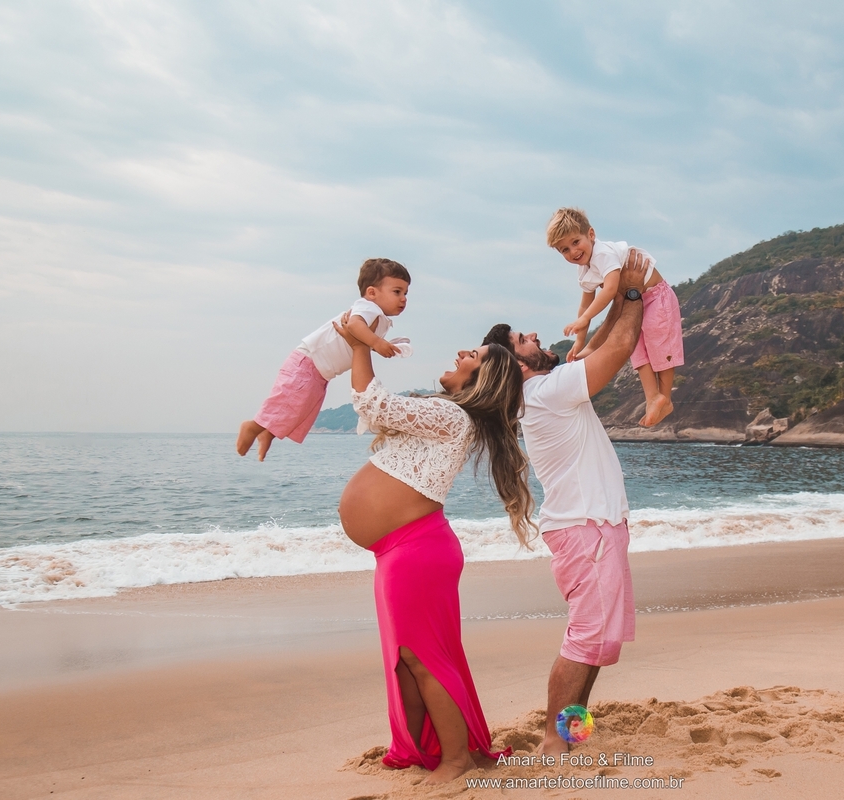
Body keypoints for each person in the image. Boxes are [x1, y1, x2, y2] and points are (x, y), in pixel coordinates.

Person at [334, 320, 535, 783]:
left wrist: (359, 344)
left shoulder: (451, 417)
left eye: (475, 358)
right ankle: (430, 748)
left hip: (415, 552)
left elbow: (373, 403)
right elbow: (377, 414)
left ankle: (456, 760)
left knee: (420, 658)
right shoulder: (445, 418)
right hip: (403, 552)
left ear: (481, 380)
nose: (464, 353)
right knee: (408, 658)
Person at [483, 249, 649, 755]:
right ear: (517, 363)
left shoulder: (546, 390)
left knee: (598, 641)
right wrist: (636, 292)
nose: (533, 335)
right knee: (585, 640)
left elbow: (601, 341)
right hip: (586, 529)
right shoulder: (546, 392)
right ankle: (553, 745)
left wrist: (618, 294)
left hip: (594, 527)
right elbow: (619, 348)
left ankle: (571, 732)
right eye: (523, 340)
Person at [237, 257, 412, 461]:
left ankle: (268, 432)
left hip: (320, 371)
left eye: (406, 293)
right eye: (397, 291)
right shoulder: (368, 308)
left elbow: (357, 342)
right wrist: (377, 343)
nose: (404, 298)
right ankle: (253, 426)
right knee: (290, 402)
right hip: (308, 363)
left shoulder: (378, 317)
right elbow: (354, 326)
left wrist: (384, 343)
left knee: (299, 408)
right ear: (372, 293)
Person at [546, 207, 684, 427]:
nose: (572, 252)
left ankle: (665, 397)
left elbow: (610, 290)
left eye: (575, 242)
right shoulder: (584, 271)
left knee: (660, 344)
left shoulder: (603, 254)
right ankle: (652, 398)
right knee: (637, 349)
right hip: (636, 303)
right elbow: (585, 305)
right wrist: (580, 341)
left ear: (590, 235)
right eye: (564, 250)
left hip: (656, 297)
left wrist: (583, 321)